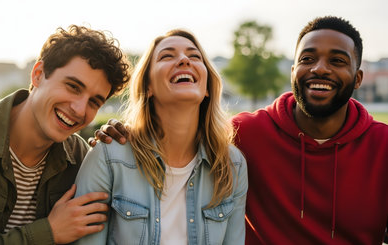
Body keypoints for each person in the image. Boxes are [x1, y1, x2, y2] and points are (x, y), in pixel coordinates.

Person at [93, 16, 388, 244]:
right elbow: (178, 132)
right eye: (307, 59)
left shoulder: (383, 145)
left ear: (358, 77)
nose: (320, 69)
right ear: (293, 70)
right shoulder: (244, 134)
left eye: (337, 61)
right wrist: (124, 130)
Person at [0, 25, 130, 244]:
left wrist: (120, 145)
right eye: (73, 87)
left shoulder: (80, 158)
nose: (79, 109)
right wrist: (49, 232)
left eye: (94, 102)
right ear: (38, 75)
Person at [74, 29, 248, 244]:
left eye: (194, 56)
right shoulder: (108, 156)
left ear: (207, 88)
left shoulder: (233, 164)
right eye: (167, 56)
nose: (184, 60)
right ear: (148, 87)